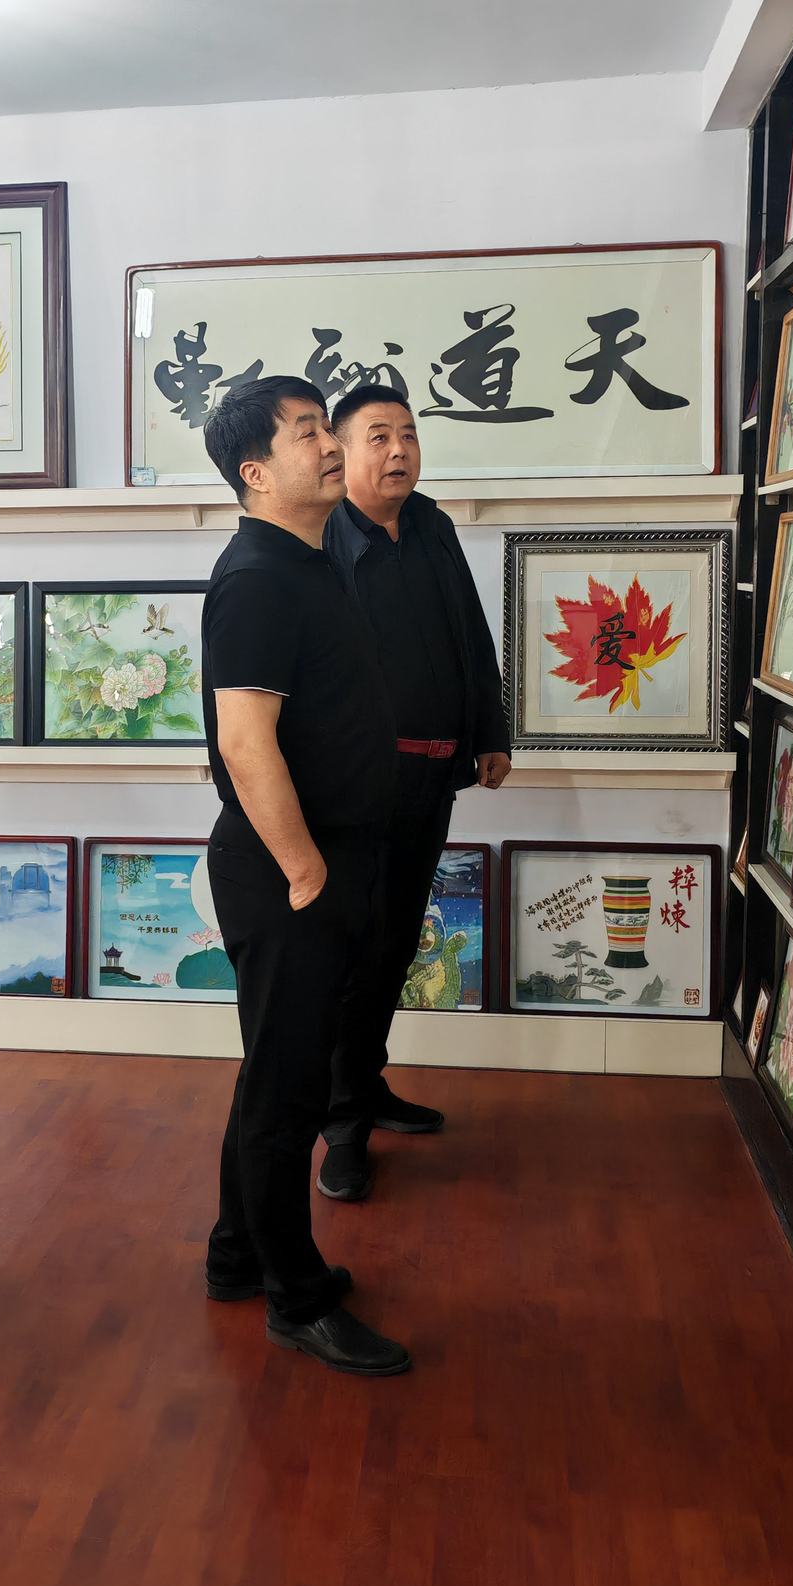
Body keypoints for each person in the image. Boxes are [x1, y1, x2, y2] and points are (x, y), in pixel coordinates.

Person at [200, 375, 410, 1376]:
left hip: (324, 860)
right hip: (291, 872)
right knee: (288, 1093)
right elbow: (245, 744)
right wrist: (305, 871)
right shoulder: (257, 577)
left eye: (327, 428)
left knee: (277, 1073)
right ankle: (295, 1295)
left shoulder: (308, 559)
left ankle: (238, 1252)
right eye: (307, 433)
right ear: (255, 471)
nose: (330, 446)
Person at [318, 386, 511, 1201]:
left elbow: (470, 630)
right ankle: (341, 1126)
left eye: (408, 434)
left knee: (397, 945)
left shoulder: (431, 524)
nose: (399, 450)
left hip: (433, 777)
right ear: (339, 449)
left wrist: (491, 730)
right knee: (355, 953)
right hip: (359, 787)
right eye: (379, 436)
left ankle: (368, 1086)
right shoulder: (323, 536)